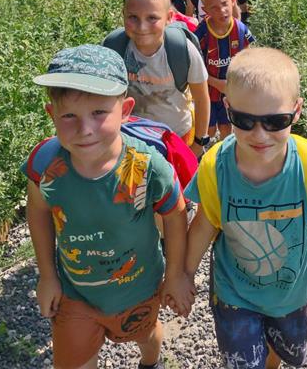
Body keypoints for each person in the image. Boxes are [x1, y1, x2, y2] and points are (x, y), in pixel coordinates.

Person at [23, 44, 195, 369]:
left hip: (138, 289)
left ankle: (150, 362)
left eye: (99, 113)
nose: (85, 129)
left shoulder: (147, 166)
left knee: (146, 336)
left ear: (125, 110)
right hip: (75, 293)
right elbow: (38, 210)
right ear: (51, 114)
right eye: (69, 116)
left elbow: (175, 212)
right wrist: (47, 276)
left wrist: (174, 274)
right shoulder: (44, 164)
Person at [183, 47, 307, 369]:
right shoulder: (216, 166)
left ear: (296, 111)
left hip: (294, 293)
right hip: (234, 292)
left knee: (281, 352)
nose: (259, 135)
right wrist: (185, 274)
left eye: (275, 121)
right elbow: (205, 223)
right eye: (244, 120)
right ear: (228, 108)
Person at [104, 0, 210, 158]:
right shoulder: (114, 48)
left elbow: (201, 98)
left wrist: (199, 142)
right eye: (133, 17)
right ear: (123, 14)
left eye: (152, 18)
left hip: (176, 137)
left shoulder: (182, 50)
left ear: (169, 18)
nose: (142, 27)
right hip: (131, 137)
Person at [194, 0, 254, 140]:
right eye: (214, 8)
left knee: (227, 127)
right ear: (205, 10)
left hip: (230, 92)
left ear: (233, 0)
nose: (222, 11)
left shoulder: (240, 30)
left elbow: (247, 59)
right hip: (207, 92)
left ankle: (225, 149)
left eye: (224, 4)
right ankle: (206, 149)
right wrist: (216, 83)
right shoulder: (201, 34)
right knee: (209, 130)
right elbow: (194, 67)